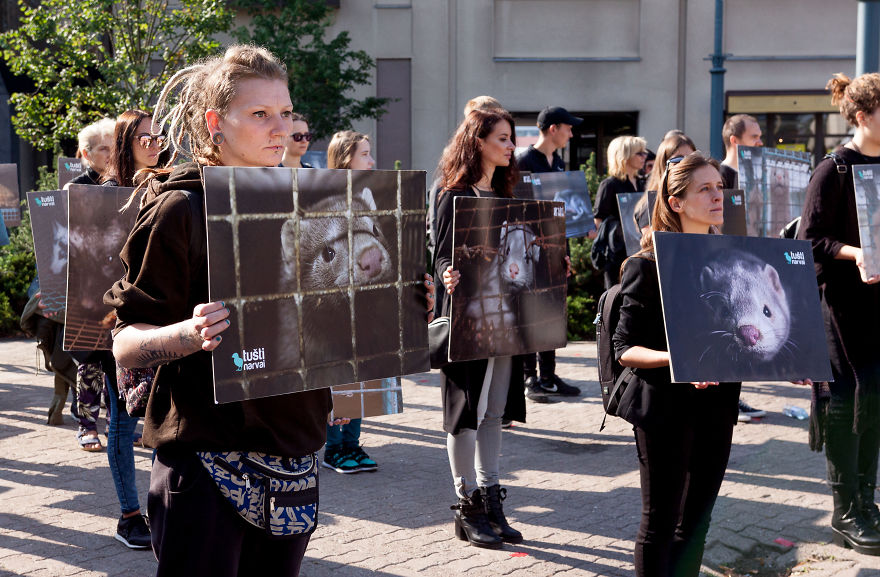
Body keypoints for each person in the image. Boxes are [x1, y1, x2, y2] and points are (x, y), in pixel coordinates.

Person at [104, 47, 332, 576]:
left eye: (286, 113)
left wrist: (395, 307)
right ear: (216, 123)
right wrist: (188, 333)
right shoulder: (181, 208)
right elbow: (125, 341)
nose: (281, 128)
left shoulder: (312, 202)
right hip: (207, 458)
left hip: (294, 452)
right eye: (260, 114)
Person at [614, 151, 743, 576]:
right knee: (660, 523)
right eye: (703, 189)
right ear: (676, 202)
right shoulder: (646, 265)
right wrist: (680, 359)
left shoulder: (733, 261)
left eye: (719, 187)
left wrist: (779, 360)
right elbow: (625, 348)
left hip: (719, 404)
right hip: (664, 407)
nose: (716, 195)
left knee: (697, 522)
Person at [435, 108, 528, 549]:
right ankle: (466, 503)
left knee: (494, 412)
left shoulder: (511, 193)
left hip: (507, 318)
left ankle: (491, 499)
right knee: (466, 411)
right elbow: (438, 254)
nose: (511, 147)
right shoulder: (454, 194)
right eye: (504, 139)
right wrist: (447, 272)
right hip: (469, 319)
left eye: (511, 139)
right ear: (479, 142)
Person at [799, 72, 880, 556]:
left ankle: (867, 502)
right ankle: (844, 509)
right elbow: (809, 240)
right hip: (843, 313)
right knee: (846, 406)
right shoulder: (834, 169)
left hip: (879, 312)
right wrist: (856, 253)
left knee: (876, 405)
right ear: (864, 115)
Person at [513, 105, 584, 401]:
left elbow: (560, 209)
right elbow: (517, 208)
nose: (571, 133)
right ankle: (530, 377)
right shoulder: (523, 160)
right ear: (553, 128)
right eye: (568, 128)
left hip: (554, 246)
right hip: (529, 247)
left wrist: (565, 250)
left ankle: (549, 374)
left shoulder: (558, 163)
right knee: (530, 308)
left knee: (553, 310)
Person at [320, 129, 379, 474]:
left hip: (364, 295)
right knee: (336, 371)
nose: (372, 161)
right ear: (346, 159)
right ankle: (333, 447)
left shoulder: (367, 195)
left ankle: (352, 444)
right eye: (365, 154)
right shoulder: (325, 197)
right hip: (335, 298)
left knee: (360, 370)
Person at [593, 135, 648, 289]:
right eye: (639, 153)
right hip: (617, 254)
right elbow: (598, 222)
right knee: (617, 297)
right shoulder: (609, 185)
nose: (645, 156)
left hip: (640, 251)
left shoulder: (644, 183)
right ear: (625, 156)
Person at [634, 132, 697, 236]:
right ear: (663, 163)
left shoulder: (697, 197)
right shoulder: (649, 205)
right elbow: (652, 245)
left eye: (691, 159)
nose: (686, 164)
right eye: (679, 159)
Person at [65, 118, 115, 188]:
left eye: (114, 148)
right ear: (86, 154)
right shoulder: (74, 188)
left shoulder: (126, 182)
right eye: (103, 149)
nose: (111, 154)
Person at [719, 114, 763, 190]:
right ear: (734, 141)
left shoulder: (756, 175)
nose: (760, 143)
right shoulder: (718, 178)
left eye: (759, 137)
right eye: (754, 137)